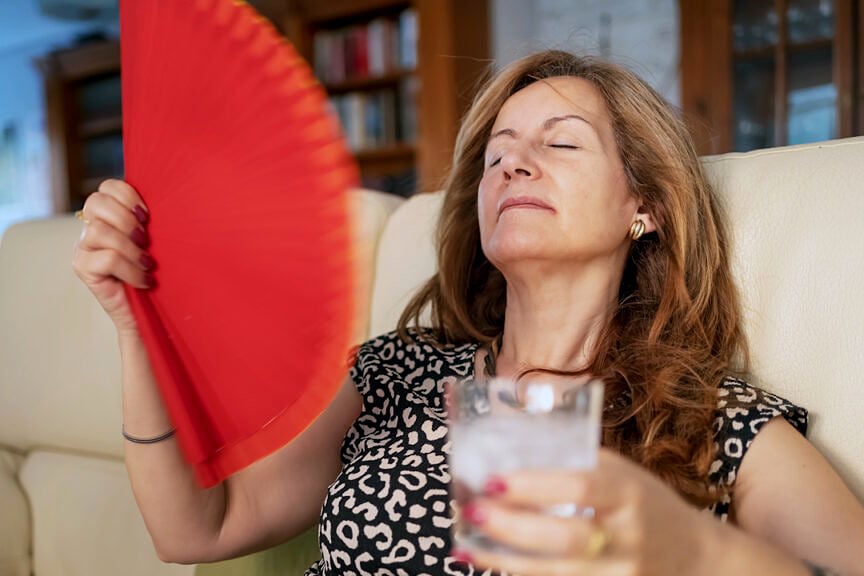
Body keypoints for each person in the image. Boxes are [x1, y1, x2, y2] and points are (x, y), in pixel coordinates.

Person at [73, 50, 864, 575]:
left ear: (646, 206)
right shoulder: (400, 370)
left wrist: (692, 550)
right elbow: (196, 530)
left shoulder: (713, 419)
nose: (513, 159)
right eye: (496, 153)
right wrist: (133, 323)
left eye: (559, 145)